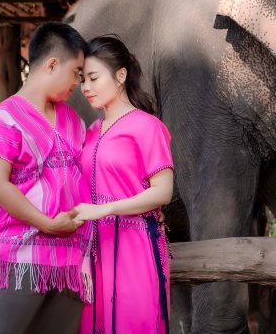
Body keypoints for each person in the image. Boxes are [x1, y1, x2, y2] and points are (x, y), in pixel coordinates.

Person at [0, 22, 92, 334]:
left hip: (71, 264)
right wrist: (47, 223)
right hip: (23, 261)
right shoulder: (1, 121)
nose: (79, 83)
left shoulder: (74, 122)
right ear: (52, 64)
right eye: (76, 72)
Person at [74, 35, 174, 334]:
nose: (86, 87)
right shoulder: (91, 131)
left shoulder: (147, 126)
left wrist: (105, 209)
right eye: (82, 80)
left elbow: (163, 192)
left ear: (120, 76)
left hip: (136, 247)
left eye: (93, 78)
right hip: (95, 251)